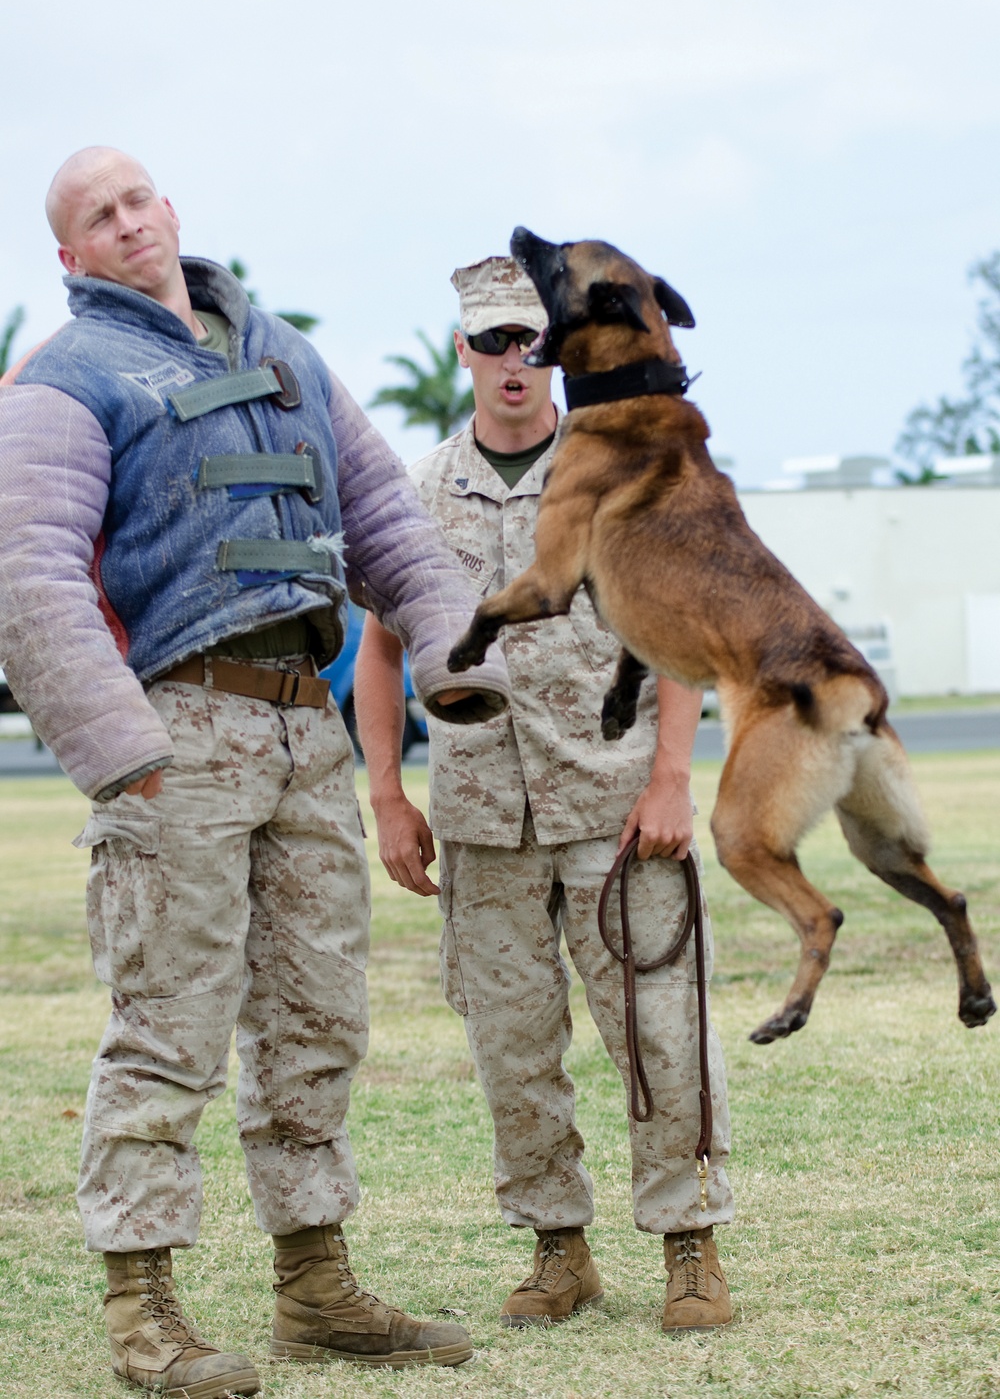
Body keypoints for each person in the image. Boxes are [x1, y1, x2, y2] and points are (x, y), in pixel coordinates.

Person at [0, 149, 512, 1397]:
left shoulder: (281, 347)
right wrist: (126, 757)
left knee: (318, 1020)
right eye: (97, 219)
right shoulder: (63, 381)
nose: (128, 225)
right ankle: (144, 1310)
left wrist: (451, 652)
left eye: (139, 200)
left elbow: (387, 516)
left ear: (171, 209)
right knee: (166, 1026)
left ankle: (315, 1286)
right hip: (183, 733)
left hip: (305, 736)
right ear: (71, 257)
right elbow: (28, 574)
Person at [355, 255, 736, 1335]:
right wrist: (388, 796)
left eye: (532, 341)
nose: (513, 364)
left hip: (617, 811)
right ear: (462, 352)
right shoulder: (416, 495)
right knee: (513, 1047)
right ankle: (556, 1250)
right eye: (491, 344)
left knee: (660, 1031)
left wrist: (671, 780)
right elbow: (378, 656)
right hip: (482, 820)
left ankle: (689, 1246)